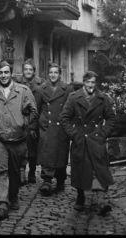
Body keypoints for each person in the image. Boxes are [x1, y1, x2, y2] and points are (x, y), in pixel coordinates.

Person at [0, 59, 38, 221]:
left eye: (6, 72)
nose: (3, 75)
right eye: (0, 73)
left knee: (14, 172)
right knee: (1, 170)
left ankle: (13, 195)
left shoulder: (23, 91)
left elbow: (33, 111)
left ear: (11, 73)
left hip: (18, 139)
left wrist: (23, 122)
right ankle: (2, 203)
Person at [60, 70, 115, 215]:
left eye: (93, 82)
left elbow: (111, 118)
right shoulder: (73, 98)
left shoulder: (103, 98)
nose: (90, 85)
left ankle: (101, 201)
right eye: (88, 82)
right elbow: (64, 118)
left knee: (99, 169)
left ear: (95, 84)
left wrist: (103, 134)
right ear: (84, 82)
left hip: (97, 140)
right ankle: (80, 196)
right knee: (79, 169)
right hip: (81, 139)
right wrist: (74, 134)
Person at [35, 62, 71, 196]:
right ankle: (47, 181)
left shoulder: (67, 89)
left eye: (56, 72)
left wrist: (68, 126)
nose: (53, 75)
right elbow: (37, 109)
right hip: (46, 127)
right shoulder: (42, 89)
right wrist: (37, 125)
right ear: (47, 74)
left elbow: (70, 109)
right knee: (47, 153)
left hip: (61, 127)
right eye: (51, 72)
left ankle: (61, 180)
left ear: (60, 74)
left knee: (60, 155)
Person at [15, 58, 44, 184]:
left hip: (34, 120)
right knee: (21, 149)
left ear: (34, 71)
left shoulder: (40, 85)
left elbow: (41, 105)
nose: (28, 72)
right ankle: (21, 172)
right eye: (26, 69)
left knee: (32, 150)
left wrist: (35, 123)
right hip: (20, 120)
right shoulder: (16, 83)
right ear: (23, 70)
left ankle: (32, 172)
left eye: (30, 69)